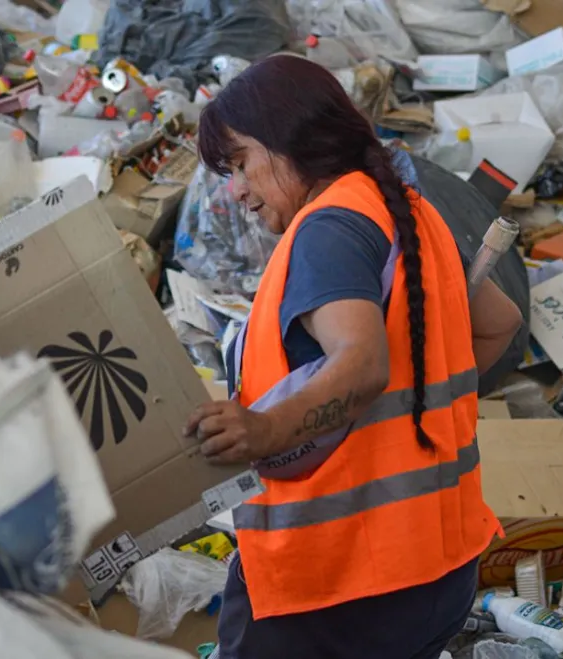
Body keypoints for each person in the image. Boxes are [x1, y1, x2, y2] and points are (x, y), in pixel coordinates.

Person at [183, 55, 523, 659]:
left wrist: (262, 429)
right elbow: (500, 326)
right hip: (439, 569)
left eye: (241, 164)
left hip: (336, 584)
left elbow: (362, 366)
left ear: (292, 141)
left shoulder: (328, 230)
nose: (236, 191)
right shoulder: (409, 214)